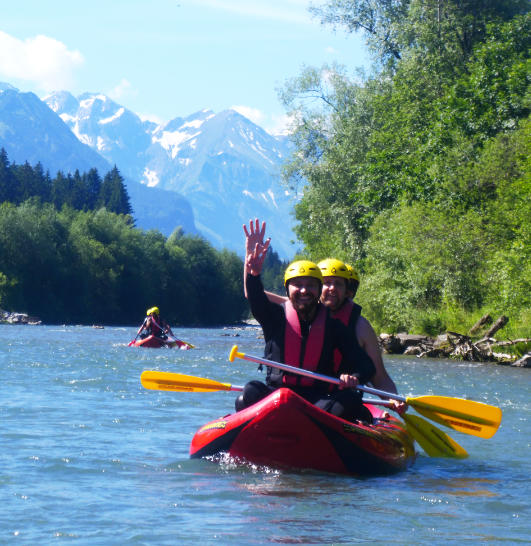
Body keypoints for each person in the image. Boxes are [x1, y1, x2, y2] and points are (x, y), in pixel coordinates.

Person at [237, 219, 376, 423]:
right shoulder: (274, 317)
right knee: (248, 393)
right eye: (297, 285)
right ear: (287, 290)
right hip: (277, 396)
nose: (304, 290)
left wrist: (354, 376)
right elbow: (255, 297)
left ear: (318, 291)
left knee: (349, 401)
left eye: (311, 285)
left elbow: (365, 365)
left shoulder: (333, 325)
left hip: (317, 401)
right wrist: (254, 274)